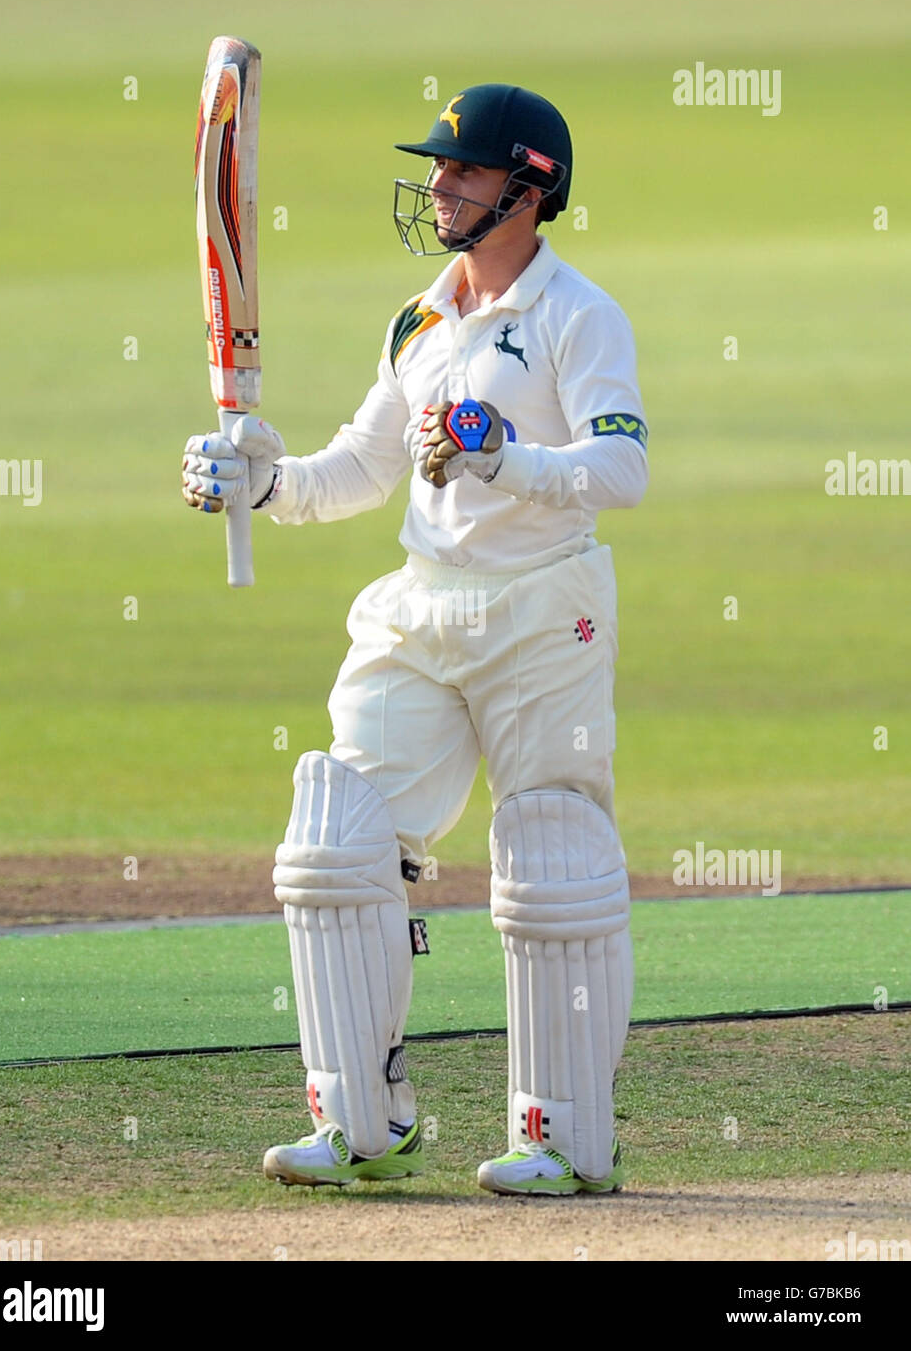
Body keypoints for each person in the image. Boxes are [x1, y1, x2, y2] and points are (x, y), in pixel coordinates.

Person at [182, 84, 648, 1196]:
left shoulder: (581, 316)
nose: (437, 183)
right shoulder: (419, 319)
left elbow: (620, 469)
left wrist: (506, 460)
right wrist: (266, 480)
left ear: (529, 191)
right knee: (337, 840)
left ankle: (564, 1136)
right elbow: (358, 468)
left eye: (464, 170)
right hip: (421, 605)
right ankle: (360, 1123)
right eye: (437, 168)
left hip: (545, 608)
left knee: (550, 854)